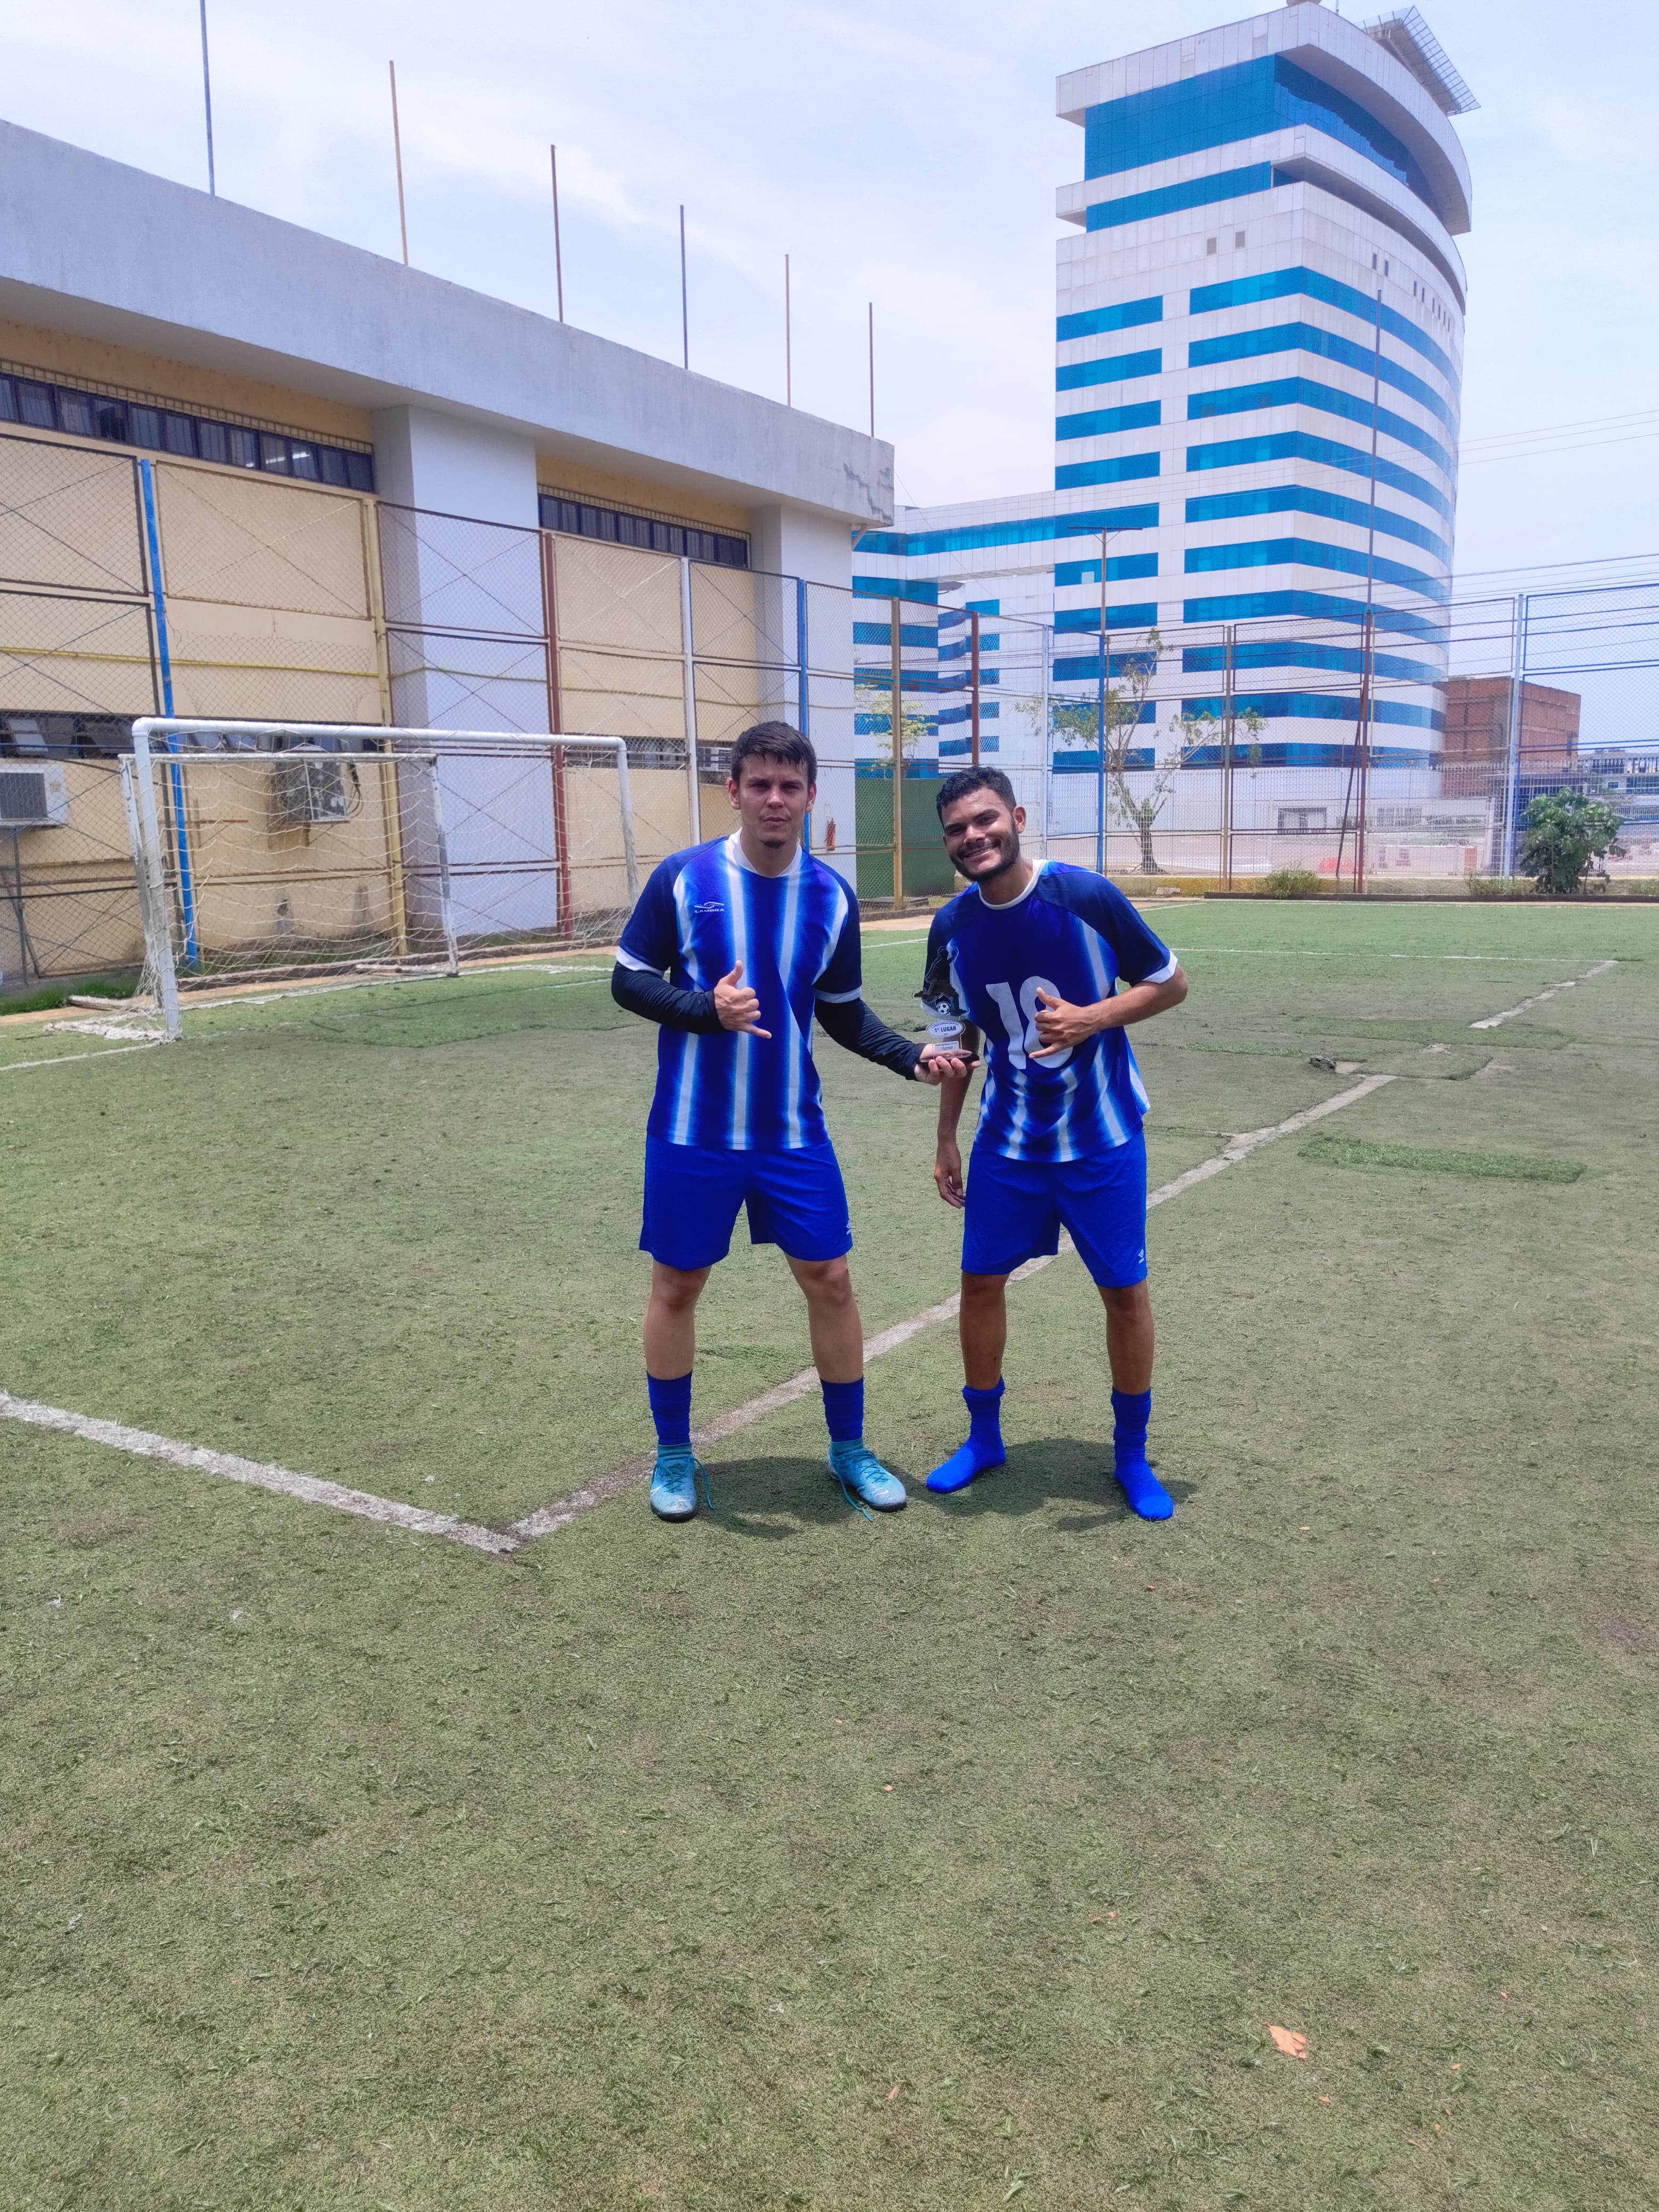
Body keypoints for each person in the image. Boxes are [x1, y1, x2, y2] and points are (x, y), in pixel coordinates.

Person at [611, 720, 971, 1522]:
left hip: (791, 1135)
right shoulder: (684, 878)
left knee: (832, 1281)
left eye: (790, 786)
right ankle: (674, 1455)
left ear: (810, 797)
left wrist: (909, 1057)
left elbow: (841, 1011)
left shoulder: (831, 896)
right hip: (693, 1132)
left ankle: (849, 1449)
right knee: (677, 1285)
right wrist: (703, 1009)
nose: (775, 799)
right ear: (734, 792)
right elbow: (629, 980)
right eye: (760, 784)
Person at [919, 767, 1188, 1517]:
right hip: (1008, 1142)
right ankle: (984, 1439)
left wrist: (1092, 1017)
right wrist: (946, 1137)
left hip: (1102, 1138)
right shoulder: (950, 928)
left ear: (1017, 817)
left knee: (1124, 1293)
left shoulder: (1086, 896)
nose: (974, 837)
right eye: (957, 830)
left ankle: (1130, 1456)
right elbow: (955, 1036)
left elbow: (1171, 983)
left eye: (985, 820)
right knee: (980, 1283)